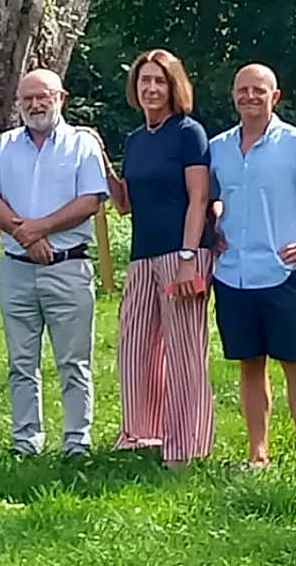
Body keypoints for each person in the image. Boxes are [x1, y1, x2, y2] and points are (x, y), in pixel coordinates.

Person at [209, 63, 296, 476]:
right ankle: (258, 455)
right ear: (233, 95)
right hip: (233, 272)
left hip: (282, 274)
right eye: (242, 90)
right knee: (249, 365)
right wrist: (215, 223)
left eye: (259, 90)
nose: (249, 96)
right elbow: (211, 197)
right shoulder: (218, 147)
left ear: (275, 96)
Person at [0, 69, 108, 458]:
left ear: (61, 98)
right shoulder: (5, 146)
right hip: (17, 269)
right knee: (21, 362)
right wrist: (25, 236)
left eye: (43, 97)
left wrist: (40, 229)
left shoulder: (81, 146)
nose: (35, 104)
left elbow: (91, 200)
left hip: (68, 267)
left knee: (73, 362)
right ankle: (26, 441)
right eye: (28, 98)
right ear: (18, 103)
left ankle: (76, 441)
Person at [95, 49, 215, 467]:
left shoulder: (188, 132)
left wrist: (187, 254)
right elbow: (126, 204)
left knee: (184, 354)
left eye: (159, 81)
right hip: (142, 256)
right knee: (135, 348)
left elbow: (199, 197)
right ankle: (143, 433)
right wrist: (103, 164)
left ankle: (187, 446)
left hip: (183, 253)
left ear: (173, 86)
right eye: (144, 80)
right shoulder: (135, 140)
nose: (151, 88)